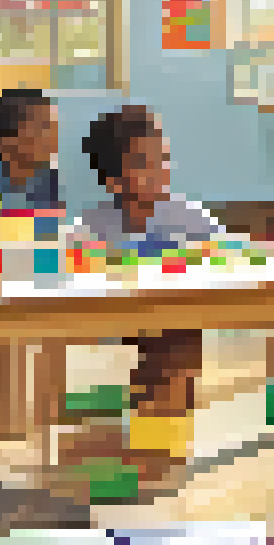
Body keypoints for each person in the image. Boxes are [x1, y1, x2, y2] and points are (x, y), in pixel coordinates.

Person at [80, 105, 225, 427]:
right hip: (114, 327)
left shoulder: (188, 216)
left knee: (177, 343)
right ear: (114, 181)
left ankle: (163, 440)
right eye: (145, 164)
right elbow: (76, 275)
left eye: (163, 158)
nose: (160, 169)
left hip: (173, 324)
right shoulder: (93, 225)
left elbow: (223, 254)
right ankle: (147, 438)